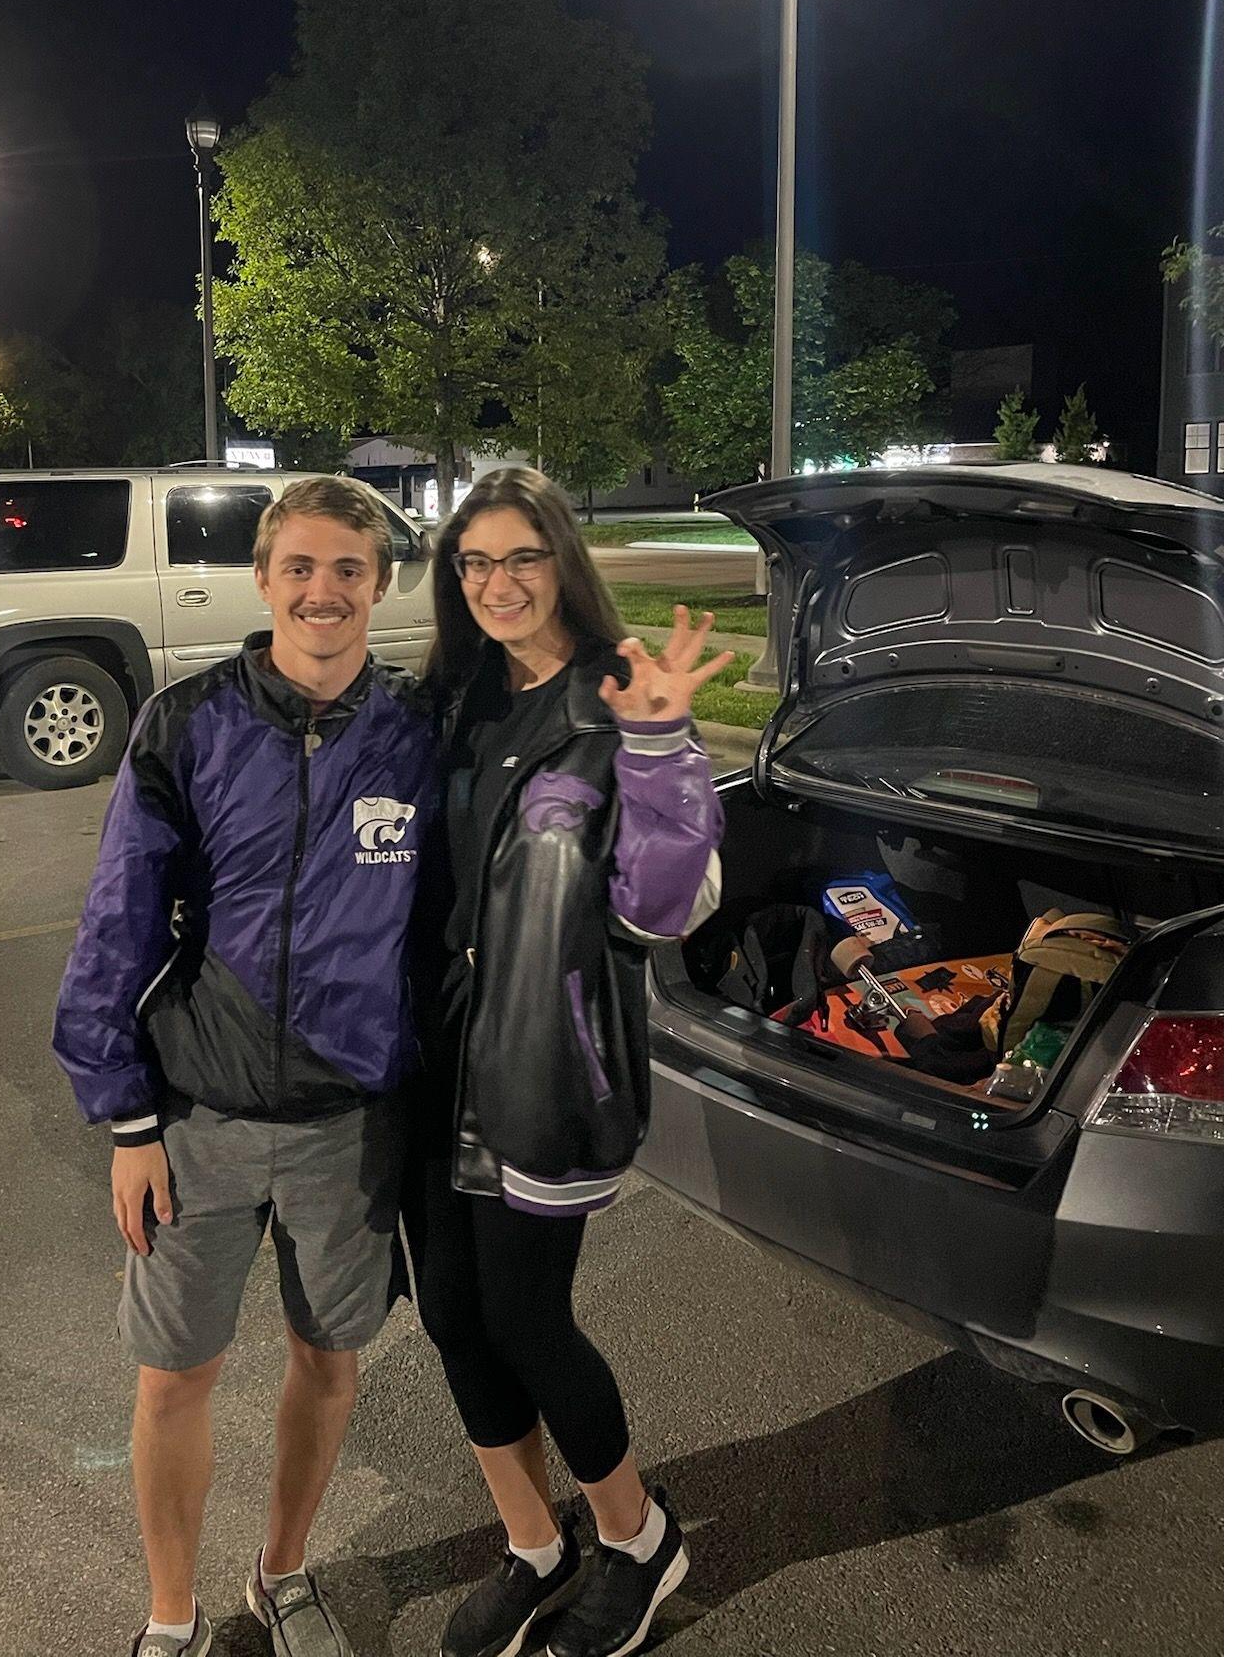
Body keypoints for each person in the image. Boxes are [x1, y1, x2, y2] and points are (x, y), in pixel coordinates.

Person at [53, 474, 438, 1657]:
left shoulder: (417, 732)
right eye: (301, 567)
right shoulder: (188, 722)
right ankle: (170, 1615)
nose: (324, 590)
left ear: (378, 582)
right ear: (263, 578)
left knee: (328, 1359)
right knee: (173, 1375)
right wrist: (126, 1120)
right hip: (196, 1118)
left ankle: (283, 1570)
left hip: (349, 1123)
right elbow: (117, 919)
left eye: (347, 569)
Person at [407, 467, 731, 1657]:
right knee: (451, 1311)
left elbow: (663, 908)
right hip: (434, 1056)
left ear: (561, 561)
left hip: (545, 1061)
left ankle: (637, 1536)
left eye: (520, 557)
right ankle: (534, 1543)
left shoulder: (617, 698)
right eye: (474, 562)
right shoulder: (456, 696)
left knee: (525, 1316)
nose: (497, 582)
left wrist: (658, 743)